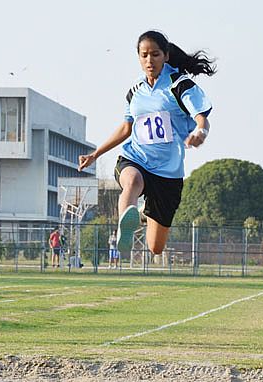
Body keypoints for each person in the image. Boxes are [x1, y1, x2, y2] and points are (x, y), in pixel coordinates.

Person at [78, 30, 215, 255]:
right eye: (144, 55)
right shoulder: (135, 91)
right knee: (132, 181)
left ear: (166, 56)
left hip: (168, 172)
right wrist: (96, 154)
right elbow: (126, 128)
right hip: (136, 158)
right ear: (139, 57)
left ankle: (143, 213)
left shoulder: (179, 85)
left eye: (155, 54)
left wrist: (201, 132)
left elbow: (202, 117)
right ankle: (125, 228)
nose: (149, 60)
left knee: (156, 247)